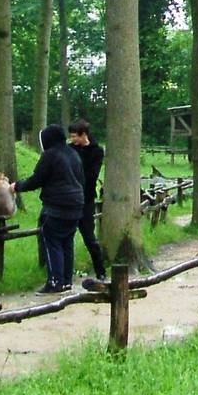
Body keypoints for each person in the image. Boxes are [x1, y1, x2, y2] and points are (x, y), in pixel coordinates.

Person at [13, 123, 84, 293]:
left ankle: (55, 281)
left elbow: (37, 179)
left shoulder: (50, 156)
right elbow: (81, 178)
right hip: (76, 204)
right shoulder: (73, 154)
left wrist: (17, 186)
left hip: (56, 206)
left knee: (52, 242)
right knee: (67, 242)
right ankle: (67, 281)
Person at [68, 118, 107, 281]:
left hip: (86, 199)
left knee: (89, 237)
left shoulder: (97, 151)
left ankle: (101, 270)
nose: (72, 139)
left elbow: (92, 176)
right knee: (66, 237)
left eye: (74, 136)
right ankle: (66, 273)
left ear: (83, 135)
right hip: (70, 199)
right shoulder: (69, 149)